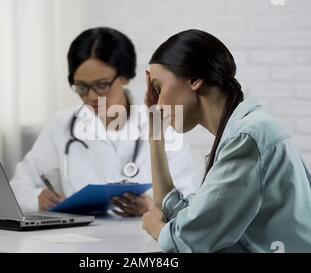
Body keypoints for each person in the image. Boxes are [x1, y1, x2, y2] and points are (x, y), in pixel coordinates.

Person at [142, 29, 311, 252]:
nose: (158, 103)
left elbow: (187, 241)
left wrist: (156, 227)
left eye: (158, 88)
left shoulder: (248, 137)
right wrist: (156, 134)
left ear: (194, 79)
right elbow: (185, 218)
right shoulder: (241, 132)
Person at [10, 27, 200, 216]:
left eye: (102, 85)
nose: (92, 96)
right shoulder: (62, 125)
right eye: (82, 87)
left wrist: (154, 207)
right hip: (80, 241)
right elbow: (18, 186)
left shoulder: (162, 122)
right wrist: (36, 198)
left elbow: (188, 196)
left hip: (146, 240)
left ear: (124, 76)